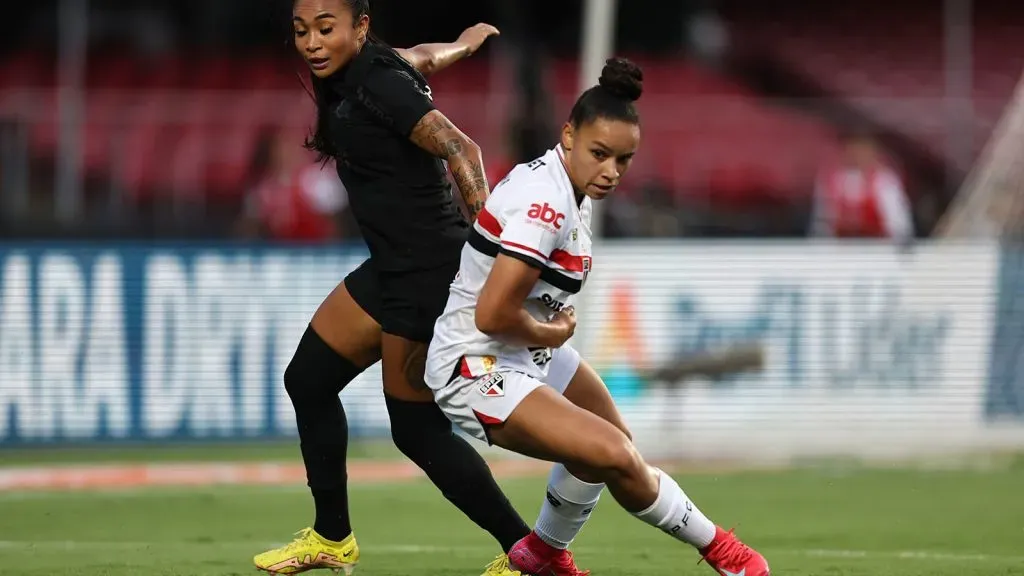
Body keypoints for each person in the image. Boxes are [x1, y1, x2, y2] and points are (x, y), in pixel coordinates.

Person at [424, 58, 772, 576]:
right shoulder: (549, 205)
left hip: (525, 353)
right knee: (612, 454)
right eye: (600, 154)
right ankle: (725, 552)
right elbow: (493, 312)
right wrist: (553, 330)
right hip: (477, 364)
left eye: (623, 160)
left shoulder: (571, 187)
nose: (610, 170)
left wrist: (545, 334)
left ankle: (541, 555)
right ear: (568, 134)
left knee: (613, 445)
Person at [254, 2, 556, 575]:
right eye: (302, 32)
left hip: (426, 270)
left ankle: (526, 553)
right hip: (390, 267)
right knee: (308, 380)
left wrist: (494, 258)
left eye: (326, 29)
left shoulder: (375, 82)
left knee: (416, 430)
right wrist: (463, 46)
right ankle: (332, 538)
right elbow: (420, 58)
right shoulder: (360, 72)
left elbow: (462, 149)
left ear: (360, 27)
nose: (313, 43)